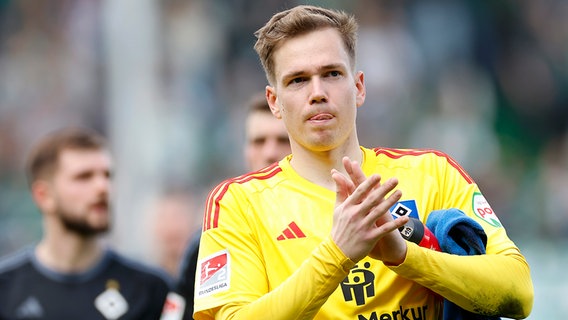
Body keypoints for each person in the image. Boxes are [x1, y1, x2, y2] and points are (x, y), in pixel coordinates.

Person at [192, 5, 534, 320]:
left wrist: (405, 256)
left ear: (358, 87)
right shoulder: (237, 204)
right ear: (274, 102)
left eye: (332, 74)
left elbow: (519, 292)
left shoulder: (433, 174)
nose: (317, 92)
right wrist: (338, 253)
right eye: (297, 80)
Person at [0, 127, 172, 319]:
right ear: (44, 196)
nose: (102, 187)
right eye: (84, 177)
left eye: (107, 175)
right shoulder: (5, 291)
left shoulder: (150, 291)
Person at [170, 92, 292, 320]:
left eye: (283, 140)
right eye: (258, 141)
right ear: (245, 150)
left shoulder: (335, 222)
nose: (270, 152)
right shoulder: (210, 241)